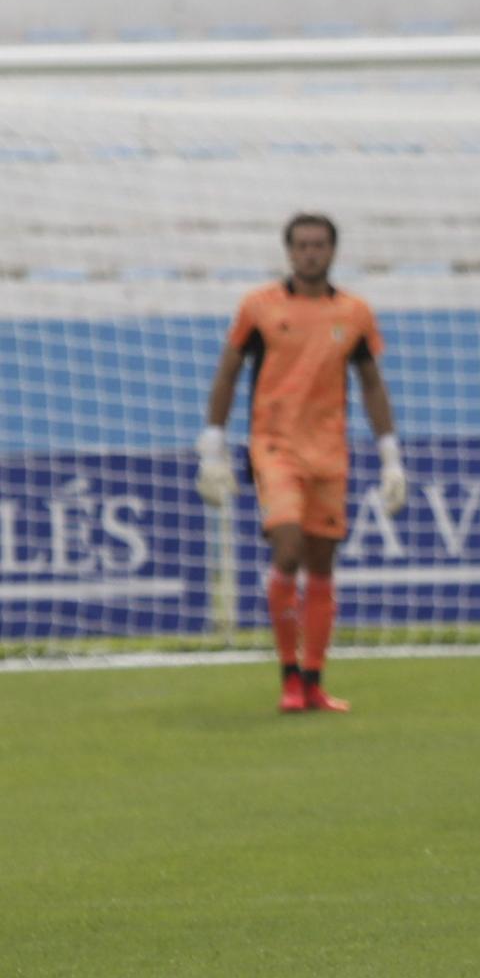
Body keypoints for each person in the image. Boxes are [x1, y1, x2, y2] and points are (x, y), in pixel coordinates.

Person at [194, 213, 407, 712]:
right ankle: (289, 676)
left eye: (319, 244)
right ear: (289, 251)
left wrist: (391, 457)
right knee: (286, 546)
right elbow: (228, 373)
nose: (310, 253)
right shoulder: (259, 308)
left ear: (332, 250)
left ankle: (313, 679)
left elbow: (371, 384)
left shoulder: (354, 312)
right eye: (302, 245)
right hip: (274, 447)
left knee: (322, 561)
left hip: (330, 452)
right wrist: (213, 444)